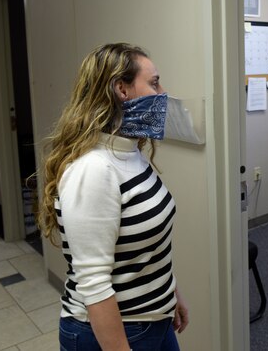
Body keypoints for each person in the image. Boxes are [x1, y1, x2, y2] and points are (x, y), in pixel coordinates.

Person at [37, 43, 189, 350]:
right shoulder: (93, 170)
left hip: (154, 319)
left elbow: (146, 247)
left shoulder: (129, 152)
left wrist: (171, 293)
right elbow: (94, 284)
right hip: (112, 332)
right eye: (155, 82)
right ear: (122, 89)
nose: (163, 92)